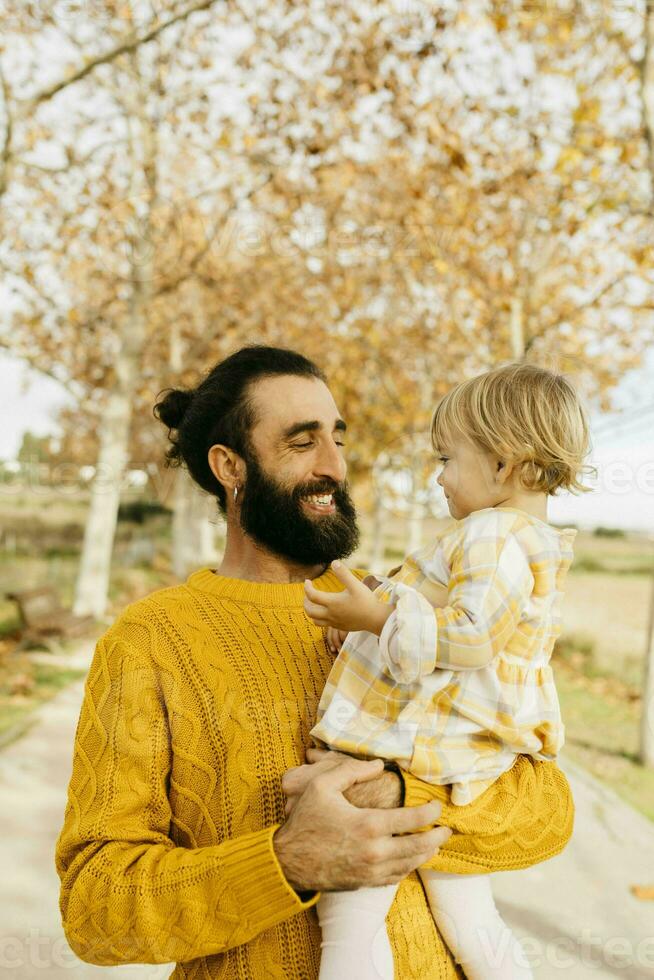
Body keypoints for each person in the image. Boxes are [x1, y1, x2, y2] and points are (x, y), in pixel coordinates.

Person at [55, 346, 575, 980]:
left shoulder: (398, 612)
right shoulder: (151, 641)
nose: (335, 466)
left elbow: (548, 809)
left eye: (338, 439)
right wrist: (288, 860)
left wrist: (404, 794)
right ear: (230, 466)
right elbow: (94, 911)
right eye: (302, 443)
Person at [303, 362, 590, 979]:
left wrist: (377, 619)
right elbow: (453, 613)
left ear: (504, 464)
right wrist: (383, 601)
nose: (437, 478)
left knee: (349, 920)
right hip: (461, 761)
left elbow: (470, 637)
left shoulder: (491, 533)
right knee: (472, 921)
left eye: (446, 459)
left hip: (424, 749)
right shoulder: (518, 536)